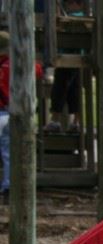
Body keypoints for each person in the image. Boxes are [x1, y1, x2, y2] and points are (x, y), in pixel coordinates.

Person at [0, 31, 43, 203]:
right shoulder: (15, 63)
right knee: (9, 153)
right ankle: (9, 188)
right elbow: (38, 70)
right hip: (9, 113)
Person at [44, 0, 86, 133]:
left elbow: (60, 23)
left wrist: (57, 10)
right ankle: (76, 122)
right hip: (77, 59)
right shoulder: (79, 16)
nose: (68, 6)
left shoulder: (76, 16)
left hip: (68, 58)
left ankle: (55, 120)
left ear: (77, 4)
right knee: (74, 91)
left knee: (59, 89)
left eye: (69, 3)